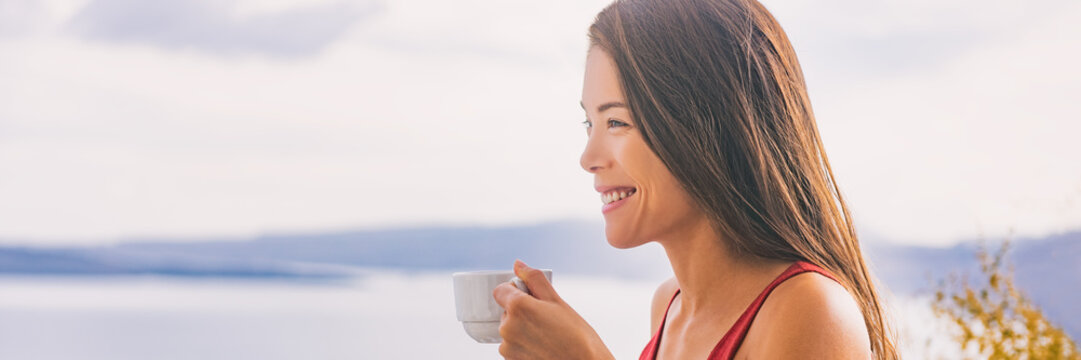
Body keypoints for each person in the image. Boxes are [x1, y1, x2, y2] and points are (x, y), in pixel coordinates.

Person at [492, 0, 899, 358]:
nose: (588, 158)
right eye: (589, 122)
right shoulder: (668, 306)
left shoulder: (811, 311)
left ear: (706, 129)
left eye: (616, 121)